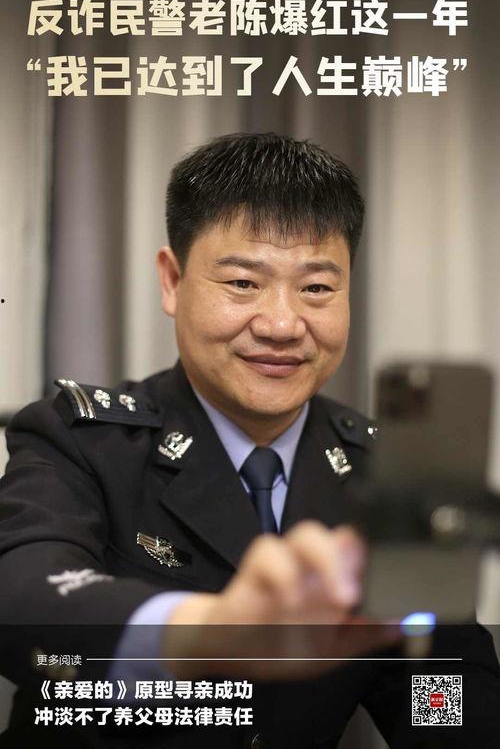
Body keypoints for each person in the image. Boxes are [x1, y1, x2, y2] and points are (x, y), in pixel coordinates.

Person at [0, 132, 498, 749]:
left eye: (317, 288)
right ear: (172, 280)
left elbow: (439, 677)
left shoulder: (382, 472)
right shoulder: (81, 440)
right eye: (242, 282)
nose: (282, 324)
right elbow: (22, 594)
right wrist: (205, 633)